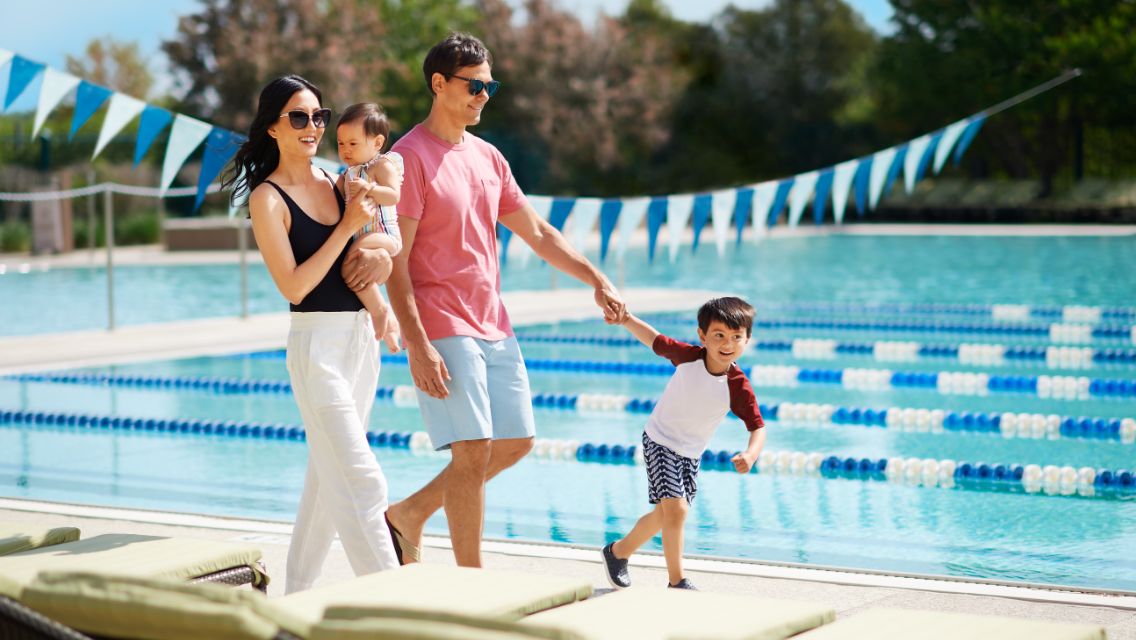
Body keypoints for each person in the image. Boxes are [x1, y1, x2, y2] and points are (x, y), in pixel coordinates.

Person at [381, 32, 627, 568]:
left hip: (493, 321)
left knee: (515, 441)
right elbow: (396, 261)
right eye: (474, 85)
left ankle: (408, 513)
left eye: (490, 86)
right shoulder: (408, 158)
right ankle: (473, 582)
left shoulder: (489, 157)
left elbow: (537, 231)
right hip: (442, 322)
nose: (484, 95)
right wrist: (417, 344)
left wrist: (595, 278)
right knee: (471, 450)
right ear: (439, 84)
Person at [224, 75, 400, 593]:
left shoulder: (338, 179)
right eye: (299, 117)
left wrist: (379, 267)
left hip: (361, 342)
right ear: (273, 127)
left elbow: (384, 245)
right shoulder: (267, 199)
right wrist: (346, 229)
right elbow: (296, 286)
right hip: (316, 347)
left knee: (327, 478)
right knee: (361, 476)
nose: (313, 127)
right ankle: (396, 599)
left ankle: (296, 594)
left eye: (319, 116)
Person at [601, 297, 767, 591]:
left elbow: (757, 427)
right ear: (703, 336)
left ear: (747, 340)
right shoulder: (689, 356)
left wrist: (751, 454)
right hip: (659, 438)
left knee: (665, 514)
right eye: (719, 335)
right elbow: (654, 340)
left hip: (690, 453)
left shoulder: (738, 385)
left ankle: (618, 553)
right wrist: (625, 319)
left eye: (736, 337)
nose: (727, 343)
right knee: (677, 511)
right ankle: (677, 581)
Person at [335, 102, 403, 345]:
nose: (346, 150)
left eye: (353, 144)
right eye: (341, 143)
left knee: (349, 265)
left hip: (385, 235)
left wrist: (370, 188)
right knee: (352, 271)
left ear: (376, 143)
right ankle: (390, 328)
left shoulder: (380, 166)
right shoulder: (348, 174)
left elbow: (394, 195)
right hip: (364, 236)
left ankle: (379, 310)